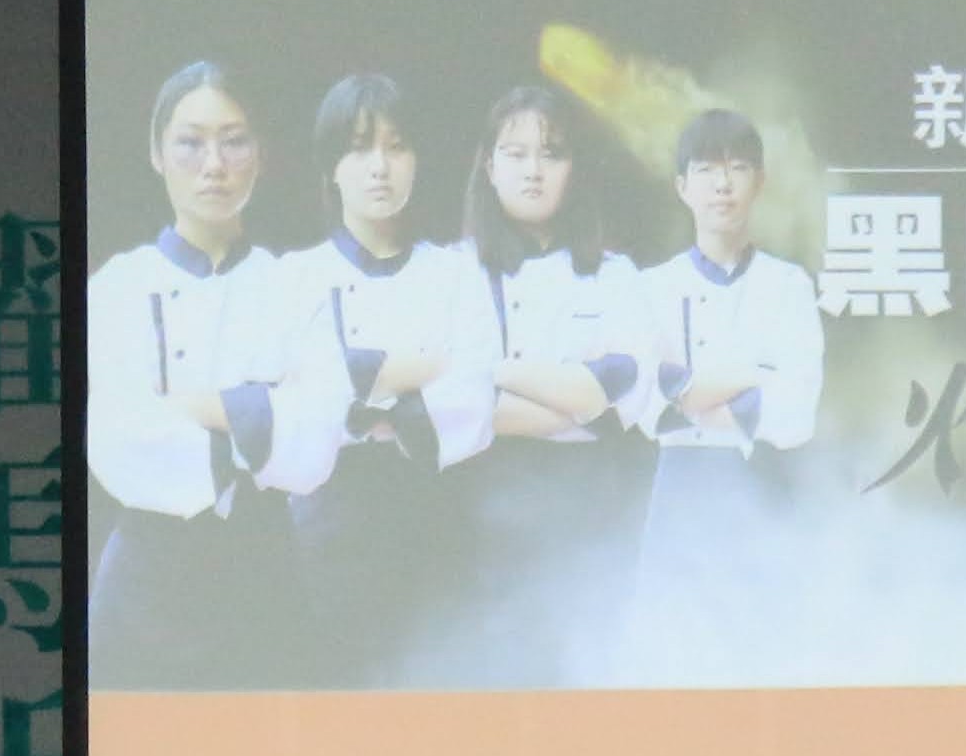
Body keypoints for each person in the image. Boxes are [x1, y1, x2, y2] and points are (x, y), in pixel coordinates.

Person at [80, 59, 324, 688]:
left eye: (233, 141)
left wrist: (190, 406)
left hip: (265, 573)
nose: (213, 164)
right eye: (190, 142)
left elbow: (314, 442)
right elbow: (117, 439)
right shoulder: (118, 286)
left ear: (260, 155)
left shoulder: (295, 286)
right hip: (146, 584)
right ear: (156, 153)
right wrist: (258, 412)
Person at [267, 73, 496, 687]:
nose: (379, 166)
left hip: (436, 516)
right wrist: (413, 371)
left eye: (397, 146)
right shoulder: (293, 278)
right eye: (358, 148)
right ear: (329, 166)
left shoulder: (457, 272)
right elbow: (292, 398)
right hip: (325, 523)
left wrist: (354, 384)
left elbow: (473, 397)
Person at [422, 81, 654, 686]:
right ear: (489, 167)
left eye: (552, 154)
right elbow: (442, 405)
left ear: (575, 170)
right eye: (516, 153)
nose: (533, 171)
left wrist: (495, 376)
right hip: (478, 525)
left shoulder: (616, 277)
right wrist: (576, 398)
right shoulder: (451, 273)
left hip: (593, 516)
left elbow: (625, 399)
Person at [624, 110, 821, 683]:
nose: (723, 184)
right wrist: (754, 375)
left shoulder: (788, 286)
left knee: (768, 661)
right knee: (668, 663)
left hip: (763, 486)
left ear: (759, 182)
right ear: (682, 186)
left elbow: (795, 416)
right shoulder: (652, 288)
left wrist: (693, 391)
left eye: (737, 168)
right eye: (707, 169)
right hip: (680, 489)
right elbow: (650, 409)